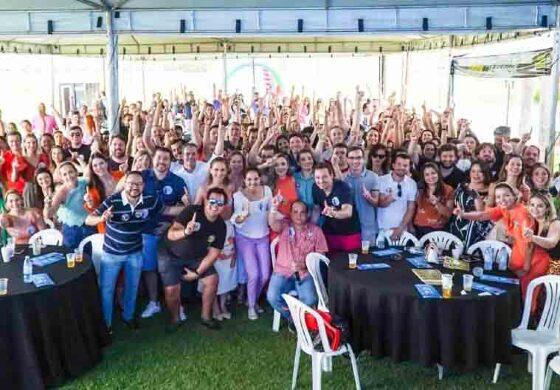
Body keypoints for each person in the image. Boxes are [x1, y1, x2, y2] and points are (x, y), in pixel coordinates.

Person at [85, 171, 162, 332]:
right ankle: (106, 324)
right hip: (112, 254)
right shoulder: (113, 200)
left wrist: (188, 206)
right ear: (124, 184)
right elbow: (88, 219)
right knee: (107, 290)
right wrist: (101, 219)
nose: (134, 187)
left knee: (132, 287)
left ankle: (128, 317)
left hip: (135, 252)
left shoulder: (149, 200)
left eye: (138, 184)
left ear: (143, 186)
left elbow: (163, 210)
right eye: (131, 183)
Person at [162, 187, 228, 330]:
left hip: (196, 257)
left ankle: (206, 317)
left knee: (212, 279)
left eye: (220, 203)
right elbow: (171, 234)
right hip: (171, 254)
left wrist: (197, 273)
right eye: (212, 201)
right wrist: (186, 232)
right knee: (171, 289)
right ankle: (175, 319)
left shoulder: (221, 225)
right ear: (205, 201)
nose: (215, 206)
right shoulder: (192, 211)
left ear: (223, 207)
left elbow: (214, 253)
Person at [454, 182, 533, 295]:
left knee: (527, 297)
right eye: (498, 197)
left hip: (531, 261)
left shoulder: (522, 214)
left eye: (506, 195)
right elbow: (482, 215)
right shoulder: (503, 208)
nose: (502, 199)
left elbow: (530, 244)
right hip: (518, 256)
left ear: (514, 196)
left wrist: (526, 268)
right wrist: (463, 214)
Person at [267, 201, 328, 326]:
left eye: (302, 212)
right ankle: (293, 319)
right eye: (295, 212)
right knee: (272, 297)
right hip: (283, 272)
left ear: (308, 214)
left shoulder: (316, 231)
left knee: (310, 299)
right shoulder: (284, 226)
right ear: (290, 213)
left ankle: (299, 321)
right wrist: (273, 208)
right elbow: (272, 223)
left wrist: (306, 264)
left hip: (305, 273)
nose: (298, 216)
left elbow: (322, 255)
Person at [231, 168, 272, 320]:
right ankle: (251, 307)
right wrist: (244, 216)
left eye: (255, 179)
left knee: (265, 274)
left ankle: (251, 299)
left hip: (263, 236)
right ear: (244, 180)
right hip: (245, 238)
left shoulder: (267, 191)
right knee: (253, 274)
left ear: (260, 179)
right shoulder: (238, 196)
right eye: (249, 179)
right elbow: (235, 219)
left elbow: (270, 210)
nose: (252, 182)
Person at [312, 162, 361, 251]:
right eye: (317, 177)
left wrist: (333, 213)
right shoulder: (315, 187)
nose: (321, 181)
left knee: (351, 263)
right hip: (329, 233)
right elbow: (316, 210)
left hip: (349, 234)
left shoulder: (342, 187)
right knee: (332, 263)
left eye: (324, 176)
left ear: (331, 175)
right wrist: (311, 227)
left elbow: (348, 212)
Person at [44, 161, 92, 249]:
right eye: (65, 174)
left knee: (90, 255)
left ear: (76, 172)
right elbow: (49, 214)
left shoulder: (83, 182)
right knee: (73, 256)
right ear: (61, 178)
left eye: (71, 172)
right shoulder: (61, 192)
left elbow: (90, 173)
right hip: (72, 229)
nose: (69, 176)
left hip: (89, 224)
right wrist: (47, 204)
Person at [449, 161, 493, 248]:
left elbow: (483, 213)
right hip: (457, 225)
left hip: (477, 230)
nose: (476, 175)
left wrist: (477, 198)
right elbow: (453, 203)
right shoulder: (461, 186)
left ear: (485, 173)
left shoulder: (491, 190)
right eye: (473, 171)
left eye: (480, 171)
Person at [373, 153, 417, 241]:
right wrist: (389, 199)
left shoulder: (412, 183)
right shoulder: (381, 180)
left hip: (402, 230)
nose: (402, 167)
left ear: (409, 167)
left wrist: (401, 228)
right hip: (382, 229)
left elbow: (411, 208)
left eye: (405, 165)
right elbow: (379, 204)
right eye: (399, 164)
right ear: (393, 165)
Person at [344, 146, 378, 243]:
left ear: (363, 159)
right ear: (347, 160)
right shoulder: (343, 178)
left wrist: (369, 197)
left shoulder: (373, 177)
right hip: (349, 228)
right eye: (351, 158)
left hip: (368, 227)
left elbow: (376, 203)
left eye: (358, 158)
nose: (355, 161)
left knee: (368, 256)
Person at [413, 162, 453, 237]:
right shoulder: (419, 189)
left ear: (438, 173)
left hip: (437, 230)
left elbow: (448, 215)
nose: (430, 177)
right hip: (418, 228)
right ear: (423, 177)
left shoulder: (448, 189)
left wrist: (437, 203)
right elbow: (412, 209)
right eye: (427, 175)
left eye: (433, 173)